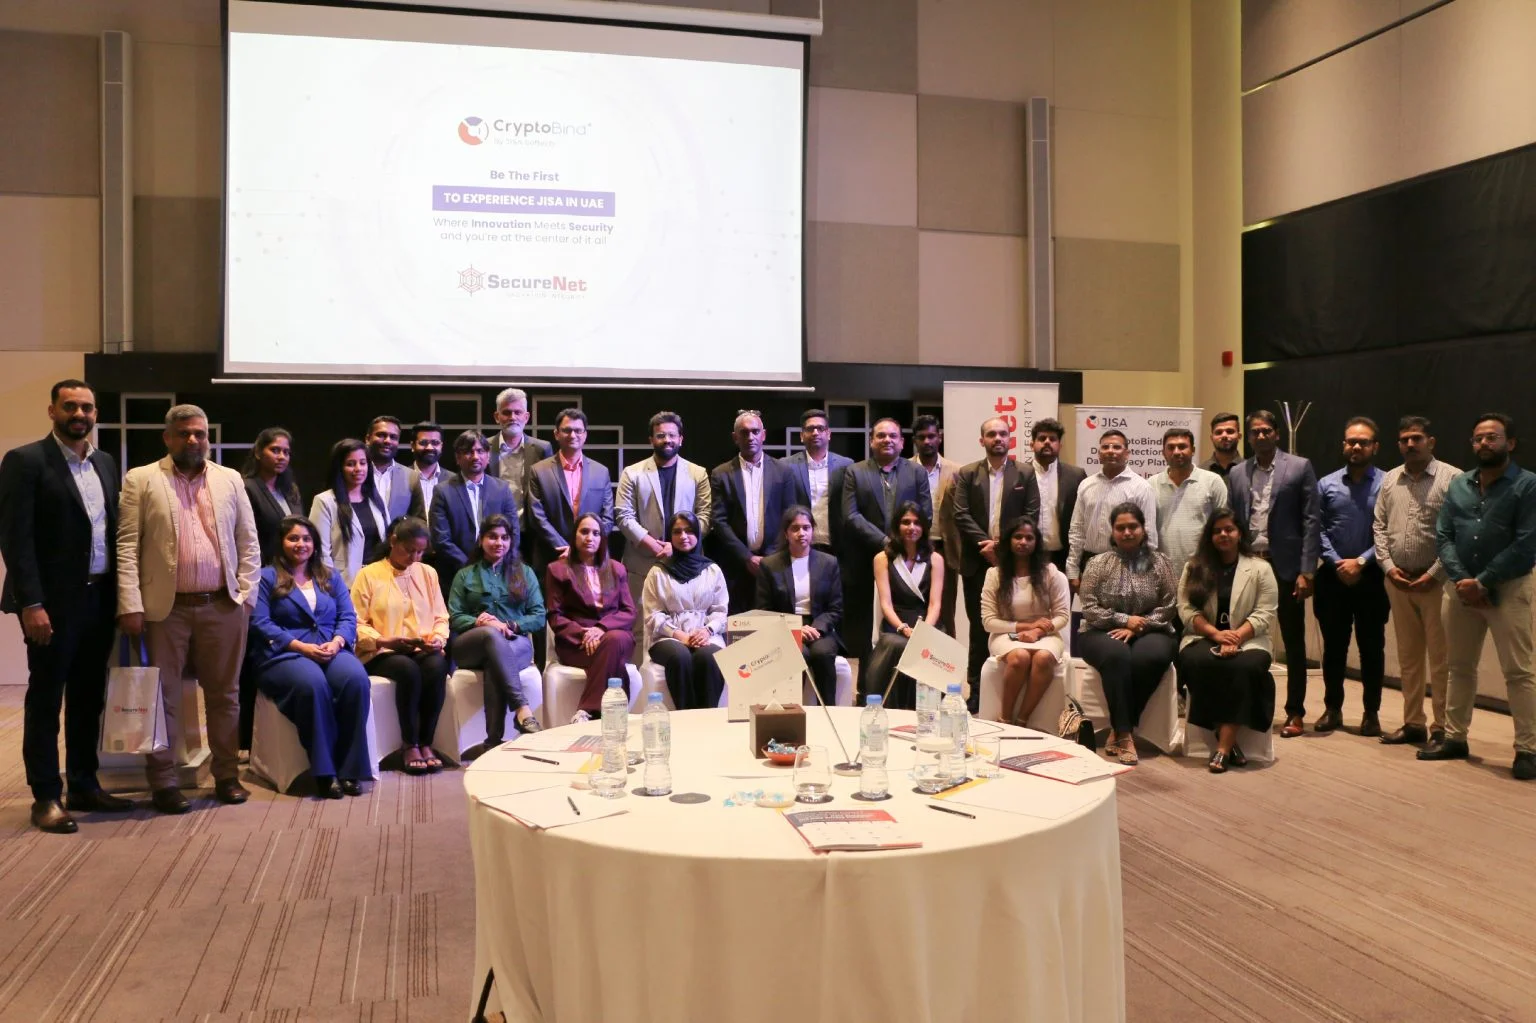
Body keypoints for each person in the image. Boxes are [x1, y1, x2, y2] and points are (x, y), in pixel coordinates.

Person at [0, 379, 132, 833]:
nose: (80, 414)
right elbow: (16, 540)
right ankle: (45, 796)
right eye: (70, 406)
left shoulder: (106, 463)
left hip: (99, 598)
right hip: (51, 605)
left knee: (88, 698)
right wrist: (31, 603)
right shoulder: (25, 461)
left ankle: (83, 784)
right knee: (45, 699)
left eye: (87, 407)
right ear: (52, 411)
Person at [117, 403, 260, 813]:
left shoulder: (230, 479)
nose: (193, 440)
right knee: (162, 699)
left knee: (225, 695)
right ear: (168, 438)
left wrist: (246, 597)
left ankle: (227, 775)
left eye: (199, 433)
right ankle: (163, 782)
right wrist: (130, 603)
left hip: (223, 605)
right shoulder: (141, 479)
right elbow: (126, 546)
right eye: (183, 433)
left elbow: (248, 541)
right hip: (165, 610)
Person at [1420, 413, 1536, 780]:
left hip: (1509, 587)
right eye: (1478, 438)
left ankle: (1528, 749)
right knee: (1458, 667)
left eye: (1492, 437)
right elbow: (1444, 536)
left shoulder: (1528, 485)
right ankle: (1455, 738)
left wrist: (1483, 582)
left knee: (1519, 672)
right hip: (1460, 589)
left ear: (1510, 443)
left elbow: (1527, 543)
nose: (1484, 443)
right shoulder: (1459, 485)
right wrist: (1463, 581)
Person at [247, 516, 371, 798]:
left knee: (355, 680)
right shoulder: (266, 577)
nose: (300, 544)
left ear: (315, 544)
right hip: (284, 654)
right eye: (293, 538)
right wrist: (302, 648)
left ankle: (350, 769)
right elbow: (260, 622)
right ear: (281, 543)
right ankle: (325, 772)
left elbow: (347, 616)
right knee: (313, 684)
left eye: (306, 539)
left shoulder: (330, 576)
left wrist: (338, 642)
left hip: (330, 648)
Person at [1226, 410, 1320, 739]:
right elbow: (1232, 521)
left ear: (1277, 433)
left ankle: (1295, 712)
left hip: (1287, 568)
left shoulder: (1299, 467)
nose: (1261, 436)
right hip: (1248, 565)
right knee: (1242, 636)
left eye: (1266, 430)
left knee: (1293, 643)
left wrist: (1307, 571)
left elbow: (1311, 521)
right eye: (1255, 431)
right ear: (1248, 437)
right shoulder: (1237, 472)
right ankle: (1246, 710)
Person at [1372, 416, 1457, 745]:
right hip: (1398, 581)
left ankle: (1442, 728)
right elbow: (1379, 526)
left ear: (1430, 442)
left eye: (1417, 438)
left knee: (1441, 659)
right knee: (1408, 657)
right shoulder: (1391, 478)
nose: (1410, 444)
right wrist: (1388, 567)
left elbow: (1457, 532)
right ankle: (1413, 723)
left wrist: (1433, 574)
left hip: (1437, 583)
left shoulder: (1453, 479)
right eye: (1405, 439)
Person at [1077, 503, 1179, 766]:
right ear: (1112, 531)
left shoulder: (1160, 562)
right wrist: (1124, 620)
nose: (1127, 532)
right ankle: (1125, 734)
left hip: (1153, 628)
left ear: (1143, 529)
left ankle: (1121, 729)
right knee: (1117, 655)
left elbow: (1169, 605)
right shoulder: (1098, 563)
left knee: (1151, 657)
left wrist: (1139, 625)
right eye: (1120, 527)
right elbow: (1089, 608)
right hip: (1100, 630)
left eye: (1133, 526)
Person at [1177, 511, 1279, 773]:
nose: (1223, 534)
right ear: (1210, 536)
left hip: (1249, 639)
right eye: (1217, 530)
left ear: (1240, 533)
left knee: (1244, 667)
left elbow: (1265, 612)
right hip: (1204, 635)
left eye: (1229, 529)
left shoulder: (1260, 568)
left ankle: (1222, 747)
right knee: (1196, 661)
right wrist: (1216, 634)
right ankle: (1228, 739)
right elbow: (1186, 608)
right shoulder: (1194, 567)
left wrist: (1236, 637)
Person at [351, 517, 450, 774]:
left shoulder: (427, 573)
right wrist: (384, 640)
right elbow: (355, 623)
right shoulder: (368, 574)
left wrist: (438, 638)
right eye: (409, 550)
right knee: (407, 670)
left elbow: (441, 616)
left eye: (420, 552)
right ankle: (410, 744)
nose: (414, 557)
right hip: (380, 650)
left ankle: (426, 742)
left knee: (437, 665)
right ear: (393, 541)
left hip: (420, 647)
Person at [951, 416, 1041, 698]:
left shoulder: (1025, 473)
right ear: (982, 440)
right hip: (976, 562)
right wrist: (986, 545)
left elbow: (1031, 515)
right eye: (992, 434)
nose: (998, 438)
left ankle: (1009, 687)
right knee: (979, 628)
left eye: (1003, 434)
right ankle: (976, 691)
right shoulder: (968, 473)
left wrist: (1001, 547)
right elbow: (960, 514)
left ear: (1010, 439)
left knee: (1014, 620)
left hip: (1015, 561)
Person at [841, 418, 932, 695]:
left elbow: (925, 513)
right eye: (880, 435)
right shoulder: (855, 472)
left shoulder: (916, 472)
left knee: (903, 622)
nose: (887, 440)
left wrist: (904, 544)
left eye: (893, 436)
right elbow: (851, 515)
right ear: (871, 441)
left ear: (902, 442)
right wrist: (886, 543)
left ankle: (904, 691)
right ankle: (867, 688)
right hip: (867, 558)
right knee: (867, 626)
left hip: (910, 559)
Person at [1313, 417, 1389, 736]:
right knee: (1334, 648)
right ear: (1344, 445)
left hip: (1371, 577)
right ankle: (1333, 709)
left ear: (1375, 447)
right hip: (1332, 578)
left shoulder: (1388, 484)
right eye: (1351, 441)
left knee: (1372, 648)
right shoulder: (1326, 484)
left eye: (1363, 442)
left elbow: (1389, 532)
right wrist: (1336, 562)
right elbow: (1316, 529)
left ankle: (1371, 713)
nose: (1356, 446)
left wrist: (1360, 562)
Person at [447, 513, 546, 760]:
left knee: (497, 659)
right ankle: (521, 708)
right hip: (472, 644)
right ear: (481, 540)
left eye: (504, 537)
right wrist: (479, 622)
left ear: (511, 541)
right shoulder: (465, 575)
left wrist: (511, 625)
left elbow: (538, 616)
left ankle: (492, 742)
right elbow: (454, 616)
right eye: (492, 537)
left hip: (515, 642)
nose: (498, 543)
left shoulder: (524, 573)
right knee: (491, 637)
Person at [616, 411, 712, 644]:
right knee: (640, 629)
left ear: (681, 439)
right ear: (651, 439)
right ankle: (640, 671)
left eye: (672, 435)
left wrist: (676, 545)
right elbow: (623, 515)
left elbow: (705, 516)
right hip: (641, 563)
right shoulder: (632, 473)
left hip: (687, 565)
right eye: (660, 435)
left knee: (686, 629)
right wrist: (653, 544)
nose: (667, 440)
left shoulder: (697, 473)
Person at [545, 512, 637, 722]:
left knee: (613, 640)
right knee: (613, 653)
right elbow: (555, 616)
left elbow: (629, 611)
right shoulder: (557, 570)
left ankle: (587, 709)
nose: (590, 538)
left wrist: (601, 629)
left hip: (616, 635)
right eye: (584, 532)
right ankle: (614, 715)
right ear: (575, 536)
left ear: (602, 538)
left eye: (596, 533)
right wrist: (584, 634)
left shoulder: (617, 569)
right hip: (577, 642)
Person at [980, 516, 1070, 726]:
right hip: (1005, 634)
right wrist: (1026, 626)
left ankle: (1022, 720)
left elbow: (1062, 616)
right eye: (1018, 537)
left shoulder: (1050, 572)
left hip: (1046, 634)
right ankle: (1005, 718)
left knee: (1043, 658)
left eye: (1029, 538)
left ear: (1036, 542)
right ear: (1008, 541)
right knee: (1019, 657)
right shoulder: (994, 575)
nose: (1023, 542)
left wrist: (1037, 631)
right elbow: (989, 622)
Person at [756, 506, 844, 706]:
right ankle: (792, 711)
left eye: (806, 527)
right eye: (795, 528)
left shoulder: (829, 563)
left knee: (822, 654)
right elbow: (763, 610)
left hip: (820, 627)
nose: (801, 533)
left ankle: (829, 711)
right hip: (784, 628)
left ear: (813, 530)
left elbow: (836, 609)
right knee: (799, 653)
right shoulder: (769, 565)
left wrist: (816, 627)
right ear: (786, 533)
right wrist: (795, 628)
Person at [642, 511, 729, 710]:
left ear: (697, 533)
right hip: (667, 638)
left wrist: (706, 631)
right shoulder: (658, 572)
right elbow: (653, 615)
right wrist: (680, 635)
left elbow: (720, 611)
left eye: (689, 531)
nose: (683, 536)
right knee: (680, 656)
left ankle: (707, 716)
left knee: (708, 657)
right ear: (669, 536)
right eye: (677, 532)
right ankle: (686, 716)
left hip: (706, 635)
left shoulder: (712, 570)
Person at [708, 410, 793, 613]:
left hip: (775, 563)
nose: (750, 437)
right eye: (744, 432)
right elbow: (719, 521)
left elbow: (789, 517)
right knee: (738, 623)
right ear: (735, 437)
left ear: (764, 435)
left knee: (773, 622)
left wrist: (769, 558)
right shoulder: (721, 474)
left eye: (755, 431)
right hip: (736, 565)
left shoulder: (783, 471)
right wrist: (746, 557)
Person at [863, 501, 946, 709]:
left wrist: (923, 630)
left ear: (924, 527)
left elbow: (935, 604)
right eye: (906, 522)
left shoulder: (936, 559)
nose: (912, 527)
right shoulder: (882, 558)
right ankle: (892, 709)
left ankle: (926, 712)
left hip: (927, 624)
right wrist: (903, 628)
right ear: (896, 526)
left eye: (917, 523)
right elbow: (885, 604)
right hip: (896, 624)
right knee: (898, 645)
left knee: (929, 647)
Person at [527, 408, 615, 579]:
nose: (573, 435)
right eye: (567, 430)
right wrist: (566, 548)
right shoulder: (539, 470)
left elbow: (607, 517)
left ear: (585, 435)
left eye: (578, 430)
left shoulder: (601, 471)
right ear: (556, 434)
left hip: (592, 558)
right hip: (552, 555)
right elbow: (537, 516)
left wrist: (586, 546)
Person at [429, 431, 516, 600]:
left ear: (488, 456)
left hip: (499, 573)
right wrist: (472, 568)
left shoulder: (502, 489)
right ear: (458, 458)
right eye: (468, 452)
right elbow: (441, 540)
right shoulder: (443, 491)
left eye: (480, 451)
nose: (475, 456)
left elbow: (513, 531)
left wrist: (497, 563)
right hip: (457, 574)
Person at [1066, 429, 1159, 589]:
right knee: (1090, 606)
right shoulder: (1086, 485)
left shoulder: (1141, 487)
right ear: (1099, 454)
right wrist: (1072, 570)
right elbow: (1077, 530)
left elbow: (1149, 535)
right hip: (1089, 564)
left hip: (1127, 565)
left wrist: (1142, 574)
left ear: (1127, 453)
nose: (1110, 451)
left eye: (1116, 447)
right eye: (1105, 447)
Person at [309, 439, 389, 588]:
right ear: (339, 468)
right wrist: (332, 586)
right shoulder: (325, 501)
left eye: (363, 463)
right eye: (351, 464)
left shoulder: (376, 499)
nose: (358, 468)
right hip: (344, 585)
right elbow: (321, 552)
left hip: (379, 582)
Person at [1149, 427, 1229, 575]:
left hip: (1203, 570)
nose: (1176, 452)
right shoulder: (1151, 484)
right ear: (1163, 452)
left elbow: (1224, 526)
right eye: (1171, 447)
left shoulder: (1212, 481)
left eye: (1182, 446)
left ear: (1193, 450)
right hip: (1162, 573)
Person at [909, 416, 961, 634]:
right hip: (913, 546)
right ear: (914, 440)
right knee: (914, 604)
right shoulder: (905, 468)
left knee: (946, 607)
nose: (927, 441)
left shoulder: (957, 471)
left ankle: (948, 652)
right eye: (922, 437)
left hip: (945, 547)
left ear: (939, 437)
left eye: (931, 436)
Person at [781, 408, 853, 555]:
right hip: (800, 545)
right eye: (810, 429)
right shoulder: (786, 466)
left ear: (829, 434)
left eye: (820, 428)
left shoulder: (846, 465)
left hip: (837, 546)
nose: (815, 433)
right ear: (802, 436)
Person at [1027, 418, 1086, 574]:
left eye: (1052, 439)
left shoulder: (1076, 475)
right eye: (1042, 438)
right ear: (1032, 444)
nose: (1047, 442)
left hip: (1064, 556)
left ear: (1060, 445)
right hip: (1028, 556)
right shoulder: (1019, 474)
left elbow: (1082, 519)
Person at [486, 386, 553, 525]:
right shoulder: (483, 448)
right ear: (497, 417)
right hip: (494, 528)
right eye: (506, 412)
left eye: (518, 412)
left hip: (531, 528)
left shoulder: (542, 449)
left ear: (526, 417)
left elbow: (548, 494)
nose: (512, 417)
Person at [242, 427, 301, 565]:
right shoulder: (246, 488)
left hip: (291, 567)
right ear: (258, 453)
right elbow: (246, 537)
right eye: (275, 450)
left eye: (286, 452)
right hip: (263, 567)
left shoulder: (291, 490)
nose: (282, 457)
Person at [365, 415, 413, 521]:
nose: (387, 441)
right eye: (381, 435)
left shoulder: (412, 476)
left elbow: (419, 519)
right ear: (368, 439)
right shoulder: (355, 472)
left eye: (393, 437)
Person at [404, 421, 447, 521]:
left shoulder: (453, 481)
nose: (429, 447)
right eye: (423, 443)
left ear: (441, 446)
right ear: (412, 446)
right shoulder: (401, 478)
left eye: (435, 443)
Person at [1204, 412, 1243, 478]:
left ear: (1239, 436)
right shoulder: (1201, 471)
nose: (1224, 435)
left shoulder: (1250, 470)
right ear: (1212, 438)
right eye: (1219, 432)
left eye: (1230, 431)